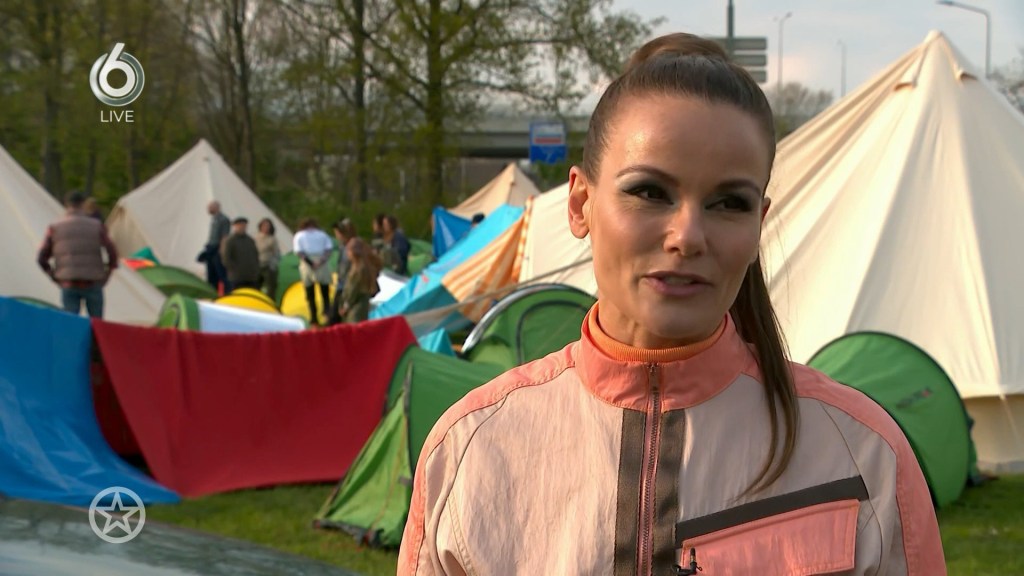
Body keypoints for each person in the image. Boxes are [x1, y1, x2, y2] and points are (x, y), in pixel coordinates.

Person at [398, 33, 945, 575]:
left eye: (728, 203)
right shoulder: (470, 450)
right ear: (580, 203)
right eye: (649, 192)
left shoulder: (862, 454)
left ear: (759, 223)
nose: (687, 236)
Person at [37, 191, 119, 318]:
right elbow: (112, 252)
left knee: (70, 324)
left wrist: (54, 276)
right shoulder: (96, 226)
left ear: (66, 205)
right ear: (83, 204)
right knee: (96, 324)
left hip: (68, 281)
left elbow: (41, 258)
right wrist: (107, 273)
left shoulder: (55, 228)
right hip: (93, 280)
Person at [293, 217, 333, 325]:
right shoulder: (322, 234)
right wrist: (320, 262)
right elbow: (328, 249)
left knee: (310, 292)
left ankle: (314, 318)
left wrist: (310, 263)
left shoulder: (299, 235)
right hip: (321, 262)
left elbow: (299, 252)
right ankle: (326, 314)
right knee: (324, 291)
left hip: (307, 264)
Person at [338, 237, 380, 324]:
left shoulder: (358, 269)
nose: (347, 253)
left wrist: (346, 306)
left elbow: (353, 290)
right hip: (363, 305)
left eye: (349, 251)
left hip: (355, 307)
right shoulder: (365, 266)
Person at [327, 218, 356, 325]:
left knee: (335, 317)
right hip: (341, 284)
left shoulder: (353, 248)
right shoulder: (342, 247)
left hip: (348, 286)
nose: (337, 236)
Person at [198, 200, 231, 293]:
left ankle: (226, 293)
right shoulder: (214, 219)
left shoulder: (223, 219)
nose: (208, 209)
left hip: (217, 249)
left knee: (221, 274)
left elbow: (225, 236)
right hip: (211, 248)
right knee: (211, 274)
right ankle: (212, 293)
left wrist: (221, 250)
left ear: (217, 207)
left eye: (210, 207)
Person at [221, 217, 261, 290]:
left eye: (244, 225)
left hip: (251, 277)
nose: (242, 227)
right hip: (237, 277)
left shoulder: (250, 240)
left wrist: (256, 270)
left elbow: (255, 256)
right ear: (235, 226)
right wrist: (234, 269)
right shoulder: (230, 241)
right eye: (240, 225)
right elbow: (226, 258)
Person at [255, 218, 281, 300]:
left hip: (268, 265)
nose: (265, 228)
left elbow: (276, 253)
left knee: (271, 287)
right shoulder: (255, 238)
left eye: (267, 226)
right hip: (257, 265)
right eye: (264, 226)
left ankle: (270, 301)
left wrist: (273, 264)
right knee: (255, 285)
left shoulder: (272, 239)